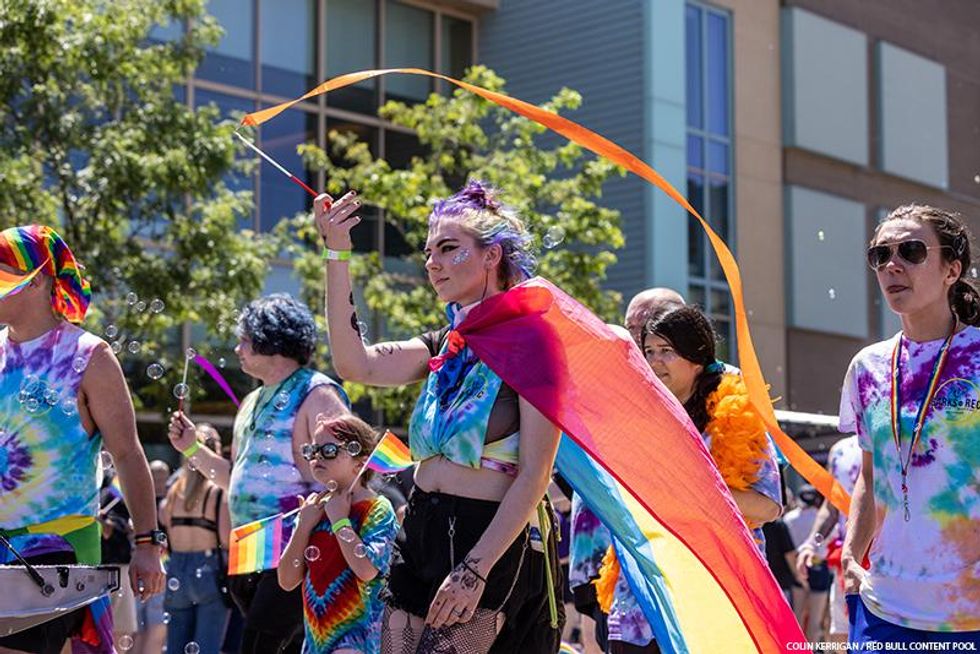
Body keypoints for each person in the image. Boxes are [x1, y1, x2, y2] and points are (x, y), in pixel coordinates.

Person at [317, 181, 564, 653]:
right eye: (428, 251)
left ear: (492, 256)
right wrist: (337, 254)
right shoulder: (444, 343)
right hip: (422, 527)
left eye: (448, 248)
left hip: (486, 535)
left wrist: (475, 569)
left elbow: (536, 472)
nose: (431, 262)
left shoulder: (533, 341)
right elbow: (356, 365)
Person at [0, 225, 166, 654]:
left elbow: (127, 454)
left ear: (36, 278)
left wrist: (147, 543)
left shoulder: (88, 356)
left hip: (57, 548)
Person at [167, 294, 350, 654]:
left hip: (295, 553)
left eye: (246, 339)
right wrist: (191, 448)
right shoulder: (252, 400)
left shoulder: (317, 392)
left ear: (272, 340)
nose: (237, 348)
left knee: (258, 646)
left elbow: (347, 472)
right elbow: (235, 478)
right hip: (249, 554)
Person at [595, 304, 782, 652]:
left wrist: (688, 494)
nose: (654, 361)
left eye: (667, 351)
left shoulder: (734, 414)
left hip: (712, 596)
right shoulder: (636, 415)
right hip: (641, 602)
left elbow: (768, 507)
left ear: (697, 357)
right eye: (649, 351)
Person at [839, 205, 980, 645]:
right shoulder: (868, 367)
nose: (891, 265)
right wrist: (848, 553)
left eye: (911, 251)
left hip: (968, 614)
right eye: (880, 255)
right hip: (884, 606)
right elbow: (870, 472)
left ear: (951, 270)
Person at [278, 414, 399, 654]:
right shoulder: (314, 508)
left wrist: (341, 521)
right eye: (313, 450)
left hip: (359, 640)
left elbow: (366, 570)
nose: (318, 457)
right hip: (317, 641)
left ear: (360, 463)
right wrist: (303, 526)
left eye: (329, 449)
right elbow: (287, 580)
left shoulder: (377, 508)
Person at [161, 424, 230, 654]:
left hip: (177, 568)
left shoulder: (173, 492)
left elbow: (167, 529)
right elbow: (225, 538)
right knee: (207, 648)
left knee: (175, 646)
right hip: (208, 569)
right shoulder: (216, 492)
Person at [795, 434, 861, 643]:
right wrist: (811, 543)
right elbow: (830, 508)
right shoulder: (840, 450)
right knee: (841, 636)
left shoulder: (896, 440)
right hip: (845, 562)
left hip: (885, 565)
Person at [783, 485, 830, 641]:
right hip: (819, 565)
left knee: (796, 616)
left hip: (797, 566)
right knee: (815, 620)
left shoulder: (789, 519)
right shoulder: (823, 518)